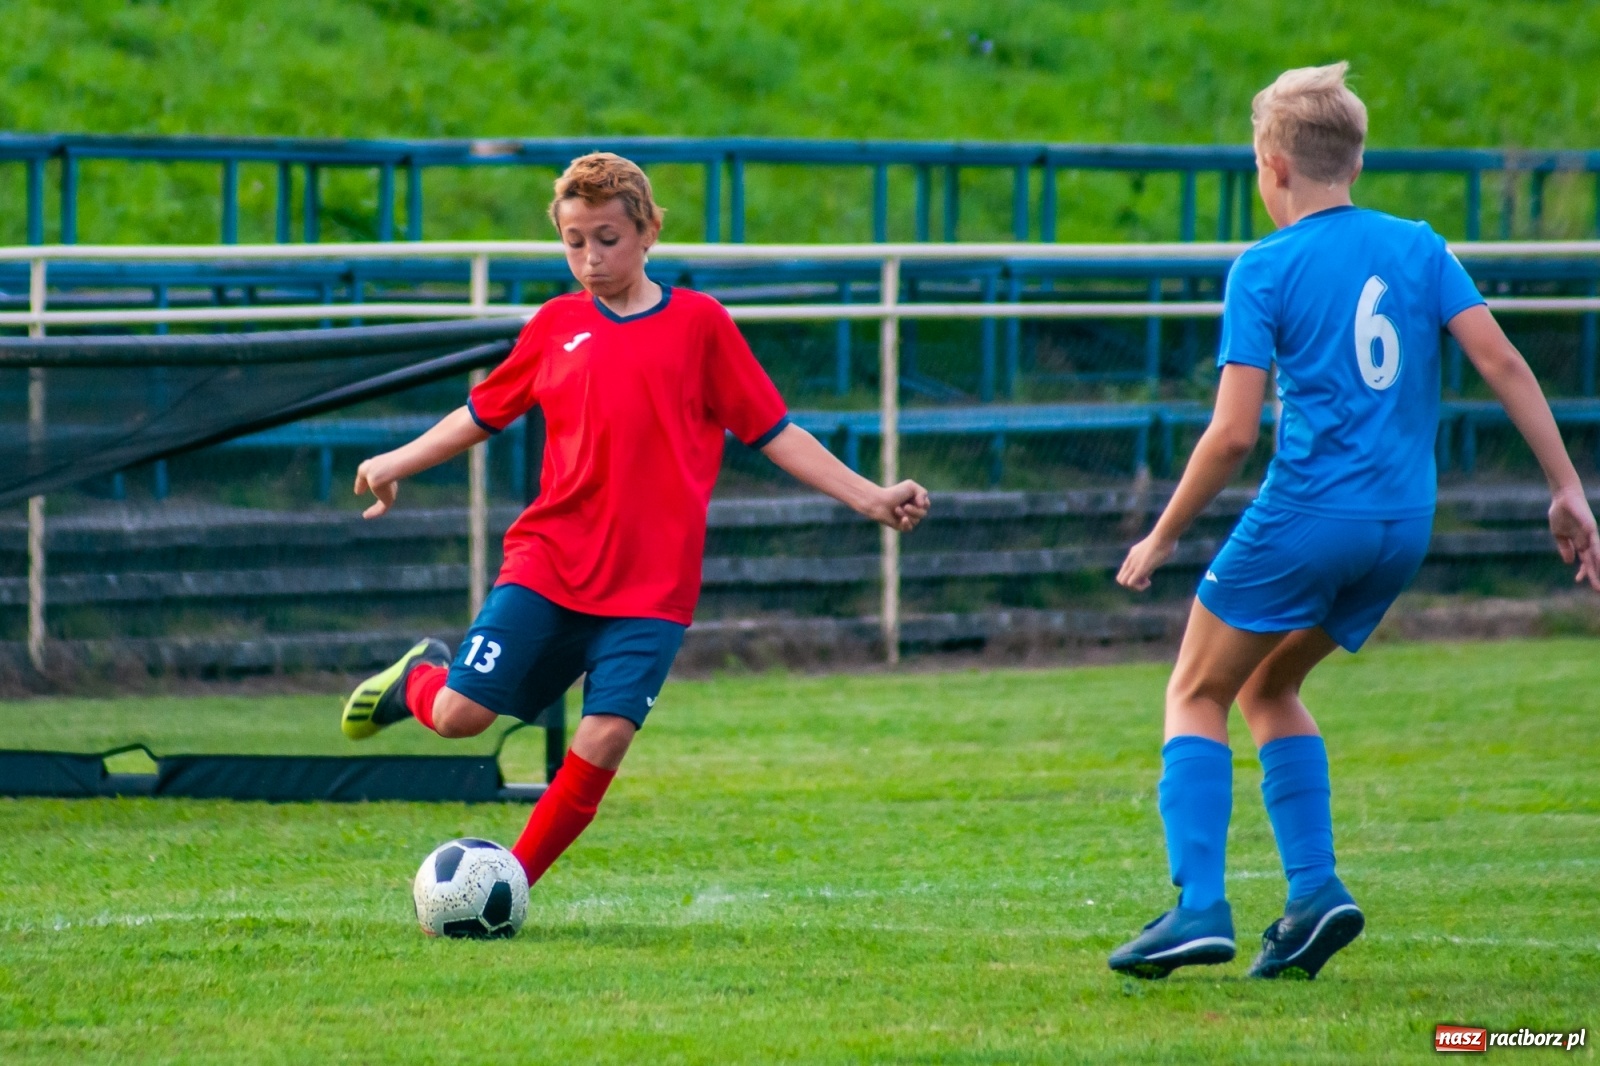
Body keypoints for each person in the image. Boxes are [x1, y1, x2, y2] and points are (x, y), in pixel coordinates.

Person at [1107, 63, 1600, 981]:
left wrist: (1163, 533)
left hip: (1307, 516)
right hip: (1401, 526)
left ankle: (1198, 907)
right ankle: (1314, 895)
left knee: (1196, 690)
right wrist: (1568, 488)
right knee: (1269, 687)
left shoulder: (1264, 265)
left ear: (1273, 165)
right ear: (1357, 161)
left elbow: (1230, 435)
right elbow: (1501, 362)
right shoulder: (1420, 246)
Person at [340, 152, 931, 891]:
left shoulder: (700, 325)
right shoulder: (554, 326)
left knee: (608, 732)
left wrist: (868, 495)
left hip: (651, 591)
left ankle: (510, 883)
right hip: (550, 564)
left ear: (649, 230)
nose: (590, 258)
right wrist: (398, 459)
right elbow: (482, 412)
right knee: (461, 716)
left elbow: (775, 431)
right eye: (574, 241)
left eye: (608, 239)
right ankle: (414, 681)